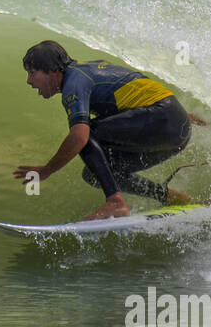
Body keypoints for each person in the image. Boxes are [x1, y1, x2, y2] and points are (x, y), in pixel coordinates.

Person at [13, 40, 200, 220]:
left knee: (86, 133)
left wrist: (47, 170)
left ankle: (115, 202)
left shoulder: (74, 83)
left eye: (32, 73)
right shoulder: (88, 70)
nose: (29, 81)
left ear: (52, 70)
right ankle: (170, 197)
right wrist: (181, 116)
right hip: (175, 128)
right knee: (96, 173)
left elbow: (79, 138)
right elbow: (135, 85)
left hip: (164, 120)